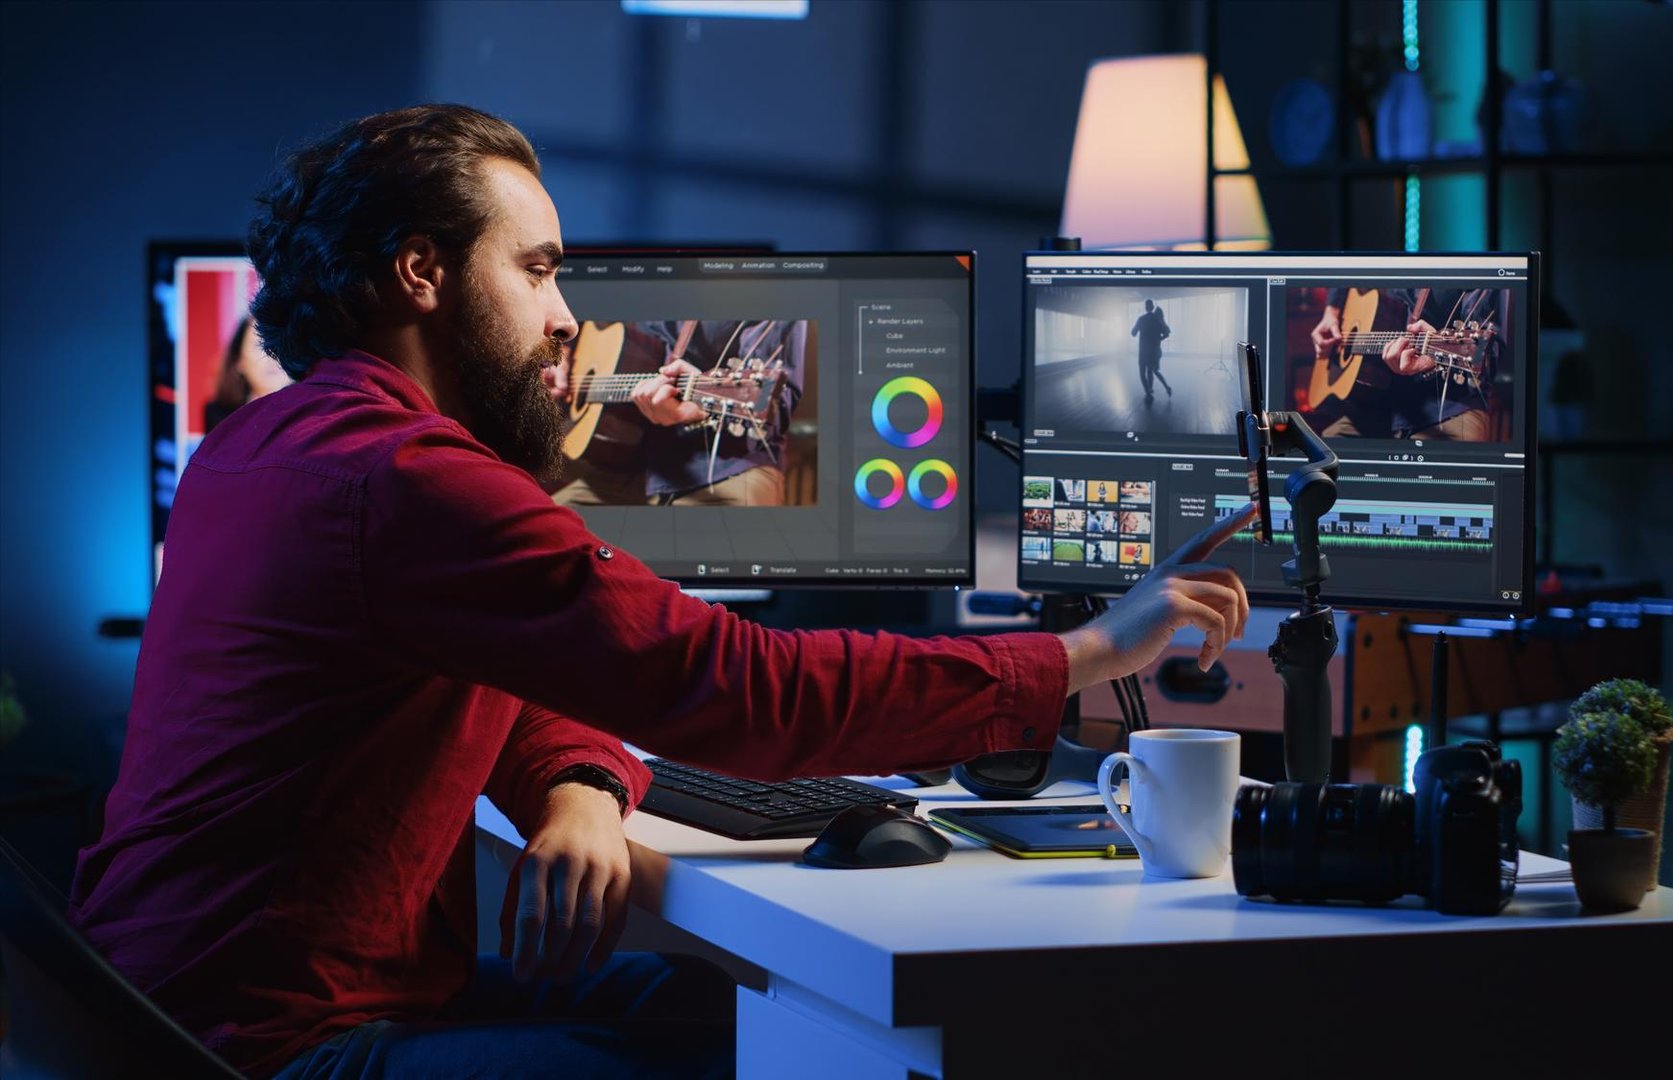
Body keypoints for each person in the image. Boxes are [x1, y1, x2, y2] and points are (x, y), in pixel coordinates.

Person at [69, 104, 1254, 1079]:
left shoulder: (275, 441)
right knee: (752, 1056)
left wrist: (582, 787)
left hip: (146, 1005)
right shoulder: (401, 478)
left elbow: (514, 661)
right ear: (422, 273)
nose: (567, 316)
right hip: (256, 1051)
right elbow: (734, 688)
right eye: (536, 271)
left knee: (703, 1014)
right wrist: (1089, 652)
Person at [544, 319, 805, 507]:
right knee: (537, 539)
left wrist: (698, 406)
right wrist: (562, 351)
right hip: (629, 465)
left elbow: (776, 400)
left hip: (720, 467)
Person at [1306, 286, 1505, 441]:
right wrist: (1332, 309)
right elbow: (1345, 267)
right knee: (1327, 455)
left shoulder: (1469, 260)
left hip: (1445, 407)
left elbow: (1487, 353)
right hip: (1378, 404)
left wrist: (1431, 359)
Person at [204, 316, 293, 433]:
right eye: (260, 345)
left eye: (278, 343)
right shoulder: (220, 415)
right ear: (239, 361)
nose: (272, 354)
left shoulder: (313, 410)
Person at [1131, 298, 1173, 402]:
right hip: (1154, 351)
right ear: (1153, 307)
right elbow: (1167, 333)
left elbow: (1133, 333)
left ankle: (1148, 392)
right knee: (1152, 371)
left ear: (1145, 307)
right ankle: (1160, 388)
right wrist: (1158, 338)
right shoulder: (1157, 319)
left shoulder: (1141, 319)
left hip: (1143, 351)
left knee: (1142, 372)